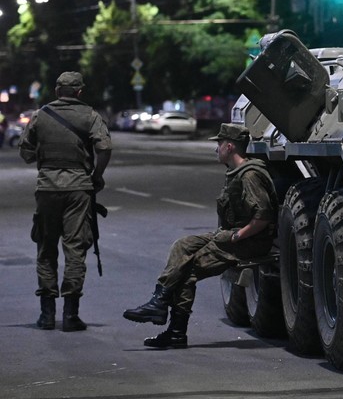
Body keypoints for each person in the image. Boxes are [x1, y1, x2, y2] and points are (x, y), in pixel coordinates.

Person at [123, 123, 278, 348]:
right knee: (183, 245)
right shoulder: (237, 172)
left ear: (230, 146)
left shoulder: (249, 176)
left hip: (249, 242)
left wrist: (237, 236)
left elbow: (262, 216)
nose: (216, 149)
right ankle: (159, 300)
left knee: (189, 270)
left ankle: (176, 332)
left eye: (219, 144)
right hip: (230, 236)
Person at [19, 71, 112, 331]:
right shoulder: (91, 115)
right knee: (75, 249)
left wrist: (44, 156)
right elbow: (104, 148)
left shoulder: (40, 116)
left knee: (46, 248)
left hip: (47, 188)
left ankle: (47, 315)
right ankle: (71, 315)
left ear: (57, 91)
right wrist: (96, 176)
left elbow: (25, 152)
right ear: (80, 92)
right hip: (79, 189)